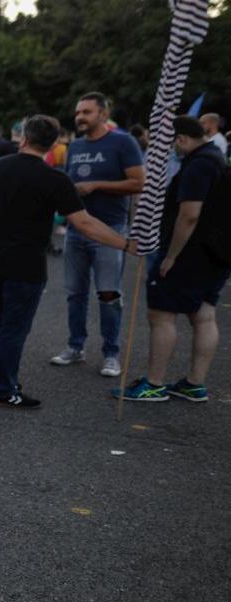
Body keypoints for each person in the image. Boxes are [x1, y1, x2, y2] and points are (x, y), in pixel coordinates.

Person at [0, 114, 139, 408]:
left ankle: (5, 381)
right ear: (52, 145)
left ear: (24, 138)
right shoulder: (55, 179)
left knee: (3, 321)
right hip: (26, 264)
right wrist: (124, 244)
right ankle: (3, 388)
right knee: (14, 326)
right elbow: (84, 223)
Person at [115, 115, 229, 402]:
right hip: (215, 252)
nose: (169, 149)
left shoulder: (198, 164)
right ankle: (194, 383)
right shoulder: (216, 158)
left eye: (169, 143)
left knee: (161, 314)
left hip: (190, 253)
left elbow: (189, 215)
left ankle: (154, 384)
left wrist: (171, 256)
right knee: (203, 314)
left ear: (181, 138)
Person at [51, 92, 146, 377]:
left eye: (86, 112)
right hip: (76, 230)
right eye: (78, 112)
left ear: (103, 114)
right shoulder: (75, 145)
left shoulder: (123, 142)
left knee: (108, 294)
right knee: (75, 293)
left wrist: (96, 185)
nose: (80, 117)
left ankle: (111, 354)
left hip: (110, 229)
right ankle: (75, 346)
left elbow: (139, 183)